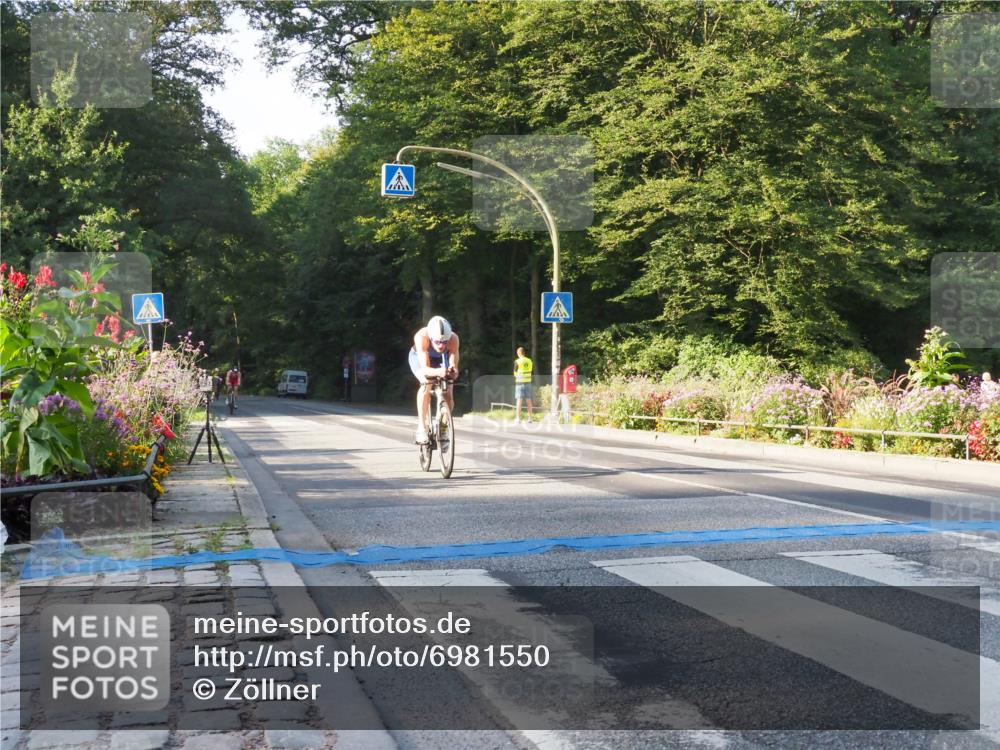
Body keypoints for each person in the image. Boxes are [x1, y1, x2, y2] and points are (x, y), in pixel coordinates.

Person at [409, 315, 460, 443]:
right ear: (431, 338)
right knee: (426, 383)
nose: (441, 346)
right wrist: (438, 371)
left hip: (441, 360)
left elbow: (453, 362)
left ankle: (443, 426)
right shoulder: (422, 337)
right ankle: (422, 427)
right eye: (437, 342)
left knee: (448, 392)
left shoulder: (453, 338)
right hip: (420, 358)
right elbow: (425, 368)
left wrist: (453, 370)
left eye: (444, 342)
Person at [513, 346, 534, 424]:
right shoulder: (529, 361)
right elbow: (531, 370)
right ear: (524, 353)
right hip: (528, 382)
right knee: (529, 400)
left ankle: (518, 418)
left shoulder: (517, 361)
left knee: (519, 400)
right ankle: (530, 418)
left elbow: (515, 373)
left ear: (518, 353)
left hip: (519, 383)